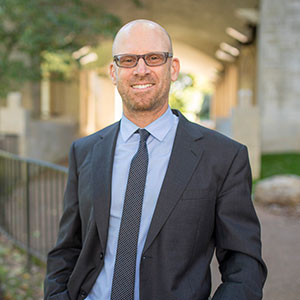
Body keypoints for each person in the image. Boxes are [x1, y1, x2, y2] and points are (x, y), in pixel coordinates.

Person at [44, 19, 267, 300]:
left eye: (153, 58)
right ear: (113, 72)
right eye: (128, 60)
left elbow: (244, 263)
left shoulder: (223, 157)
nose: (141, 70)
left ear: (172, 69)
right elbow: (67, 247)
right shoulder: (85, 151)